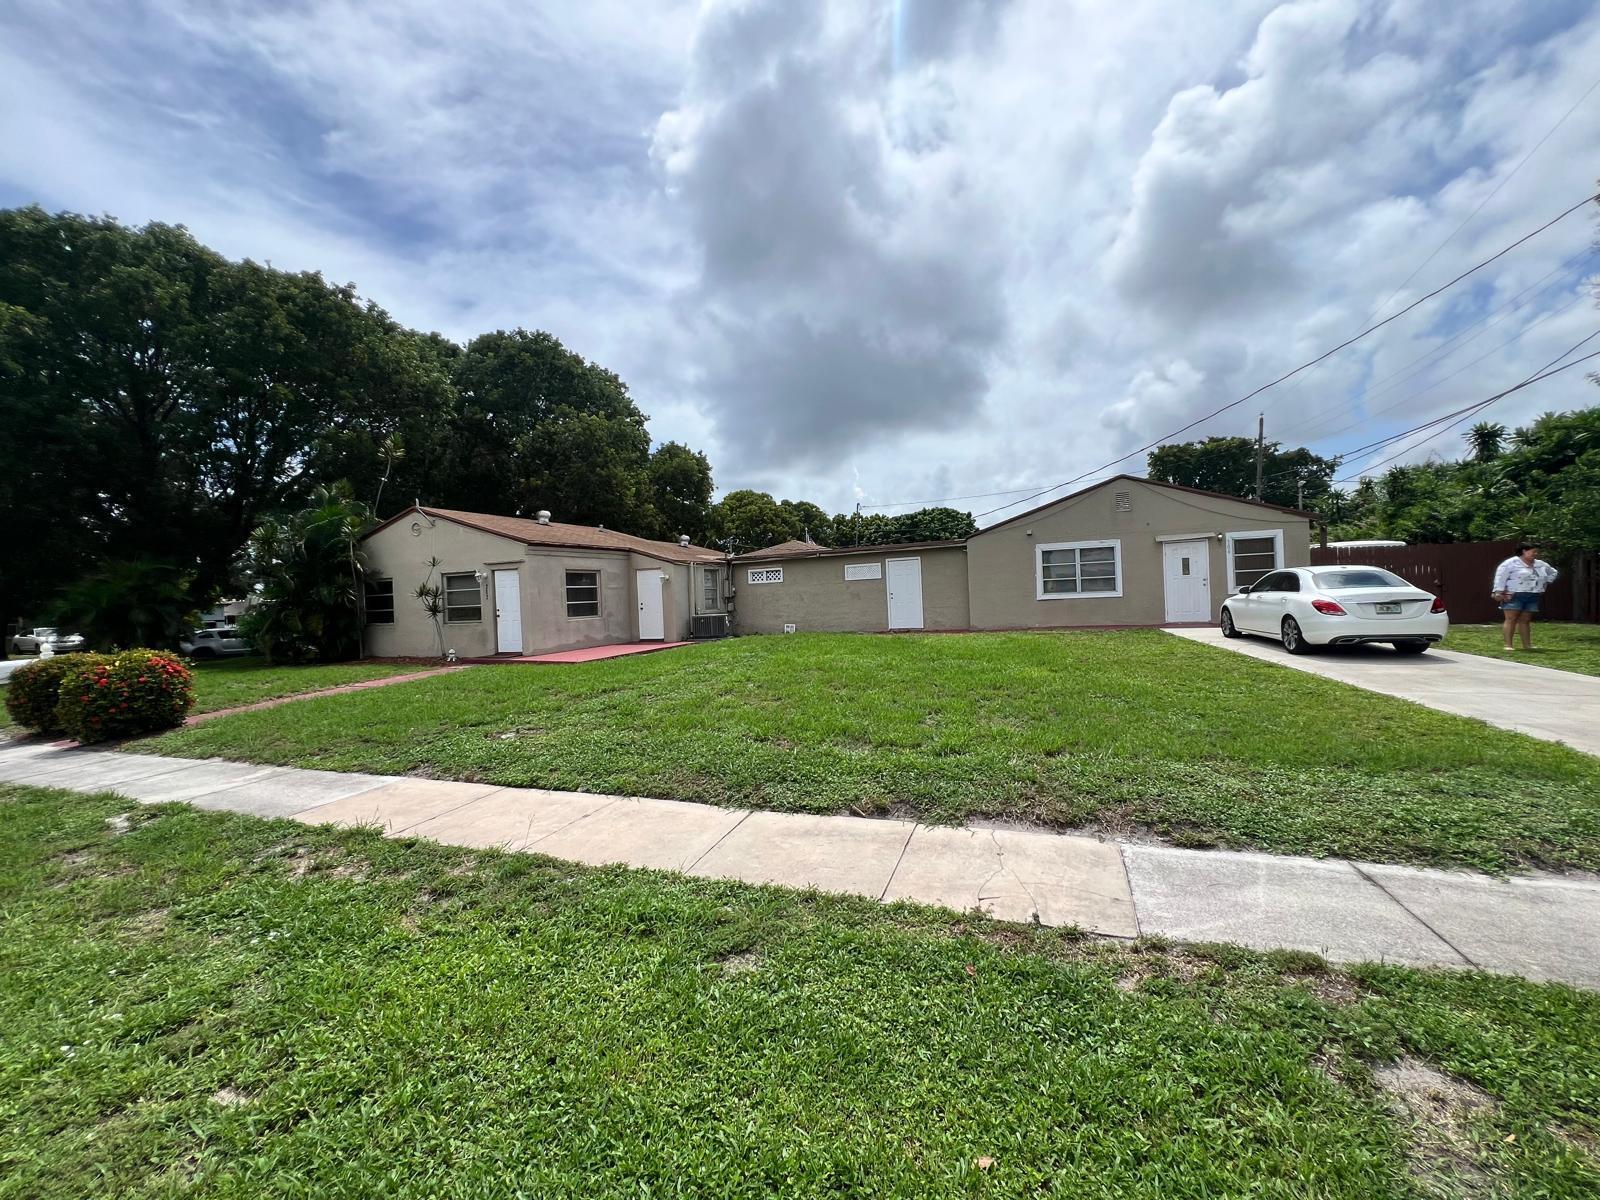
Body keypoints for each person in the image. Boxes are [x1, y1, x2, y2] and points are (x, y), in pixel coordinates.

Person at [1492, 543, 1559, 651]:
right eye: (1534, 551)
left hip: (1533, 594)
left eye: (1537, 552)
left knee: (1526, 620)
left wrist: (1544, 582)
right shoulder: (1511, 563)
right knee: (1511, 619)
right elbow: (1500, 577)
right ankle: (1508, 645)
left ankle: (1527, 645)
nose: (1536, 554)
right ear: (1524, 551)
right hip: (1514, 593)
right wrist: (1498, 591)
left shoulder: (1540, 564)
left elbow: (1553, 573)